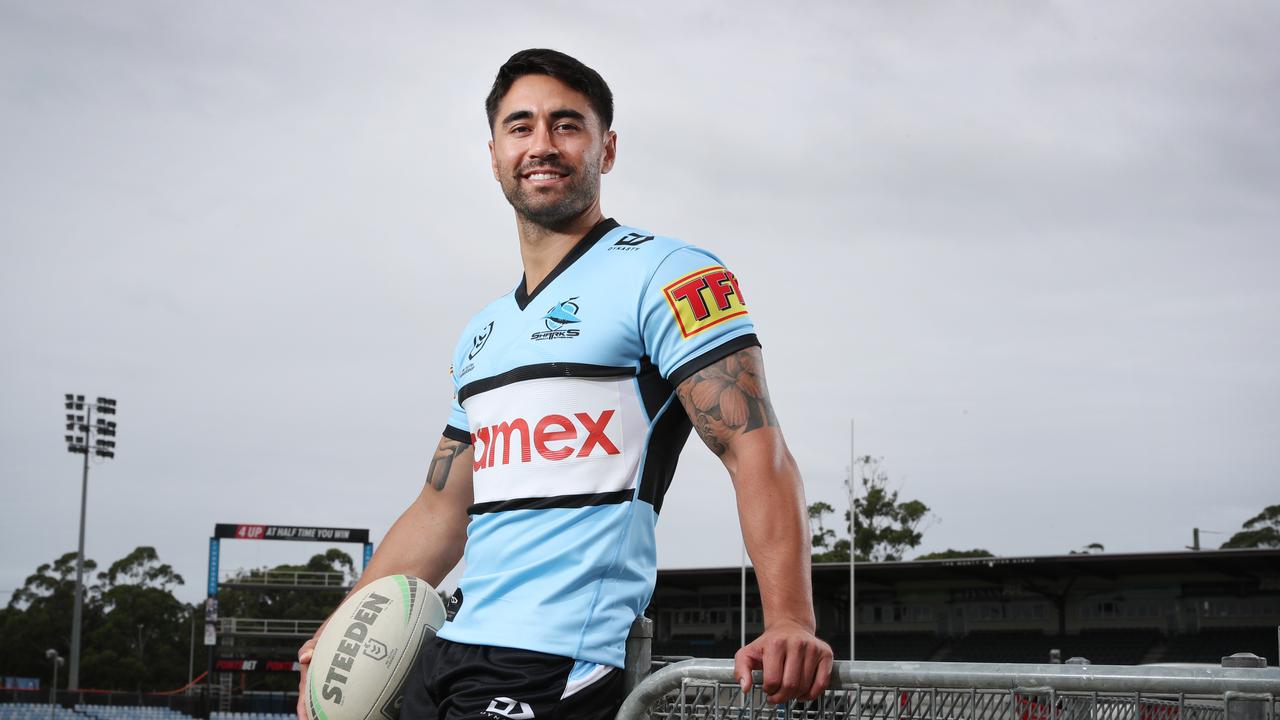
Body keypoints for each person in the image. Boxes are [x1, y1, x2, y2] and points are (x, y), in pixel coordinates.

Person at [298, 48, 832, 718]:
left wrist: (791, 619)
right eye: (520, 127)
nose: (542, 145)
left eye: (567, 125)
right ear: (493, 153)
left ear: (606, 149)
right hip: (449, 650)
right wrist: (339, 629)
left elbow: (754, 446)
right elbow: (440, 508)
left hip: (558, 660)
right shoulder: (482, 333)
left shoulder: (667, 272)